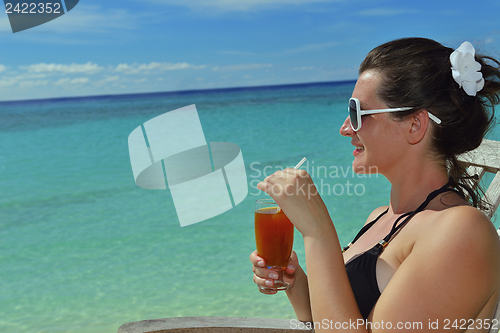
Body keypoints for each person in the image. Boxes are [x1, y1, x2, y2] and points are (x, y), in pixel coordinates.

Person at [250, 37, 500, 332]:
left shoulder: (461, 231)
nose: (345, 128)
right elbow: (332, 318)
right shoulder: (381, 218)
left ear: (414, 125)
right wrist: (294, 280)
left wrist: (318, 233)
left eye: (357, 112)